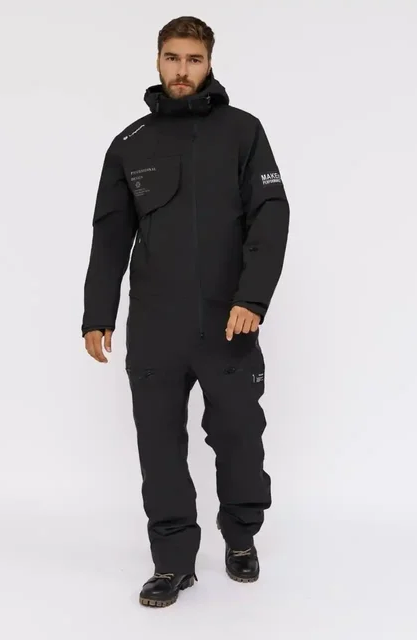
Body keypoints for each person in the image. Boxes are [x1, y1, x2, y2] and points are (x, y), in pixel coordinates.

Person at [81, 15, 290, 608]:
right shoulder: (130, 144)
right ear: (157, 60)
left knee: (240, 435)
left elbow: (271, 216)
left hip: (228, 322)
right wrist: (97, 313)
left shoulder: (243, 131)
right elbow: (110, 234)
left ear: (209, 62)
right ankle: (172, 563)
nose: (182, 70)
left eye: (193, 59)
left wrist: (251, 298)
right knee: (159, 446)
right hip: (156, 324)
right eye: (172, 58)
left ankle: (241, 536)